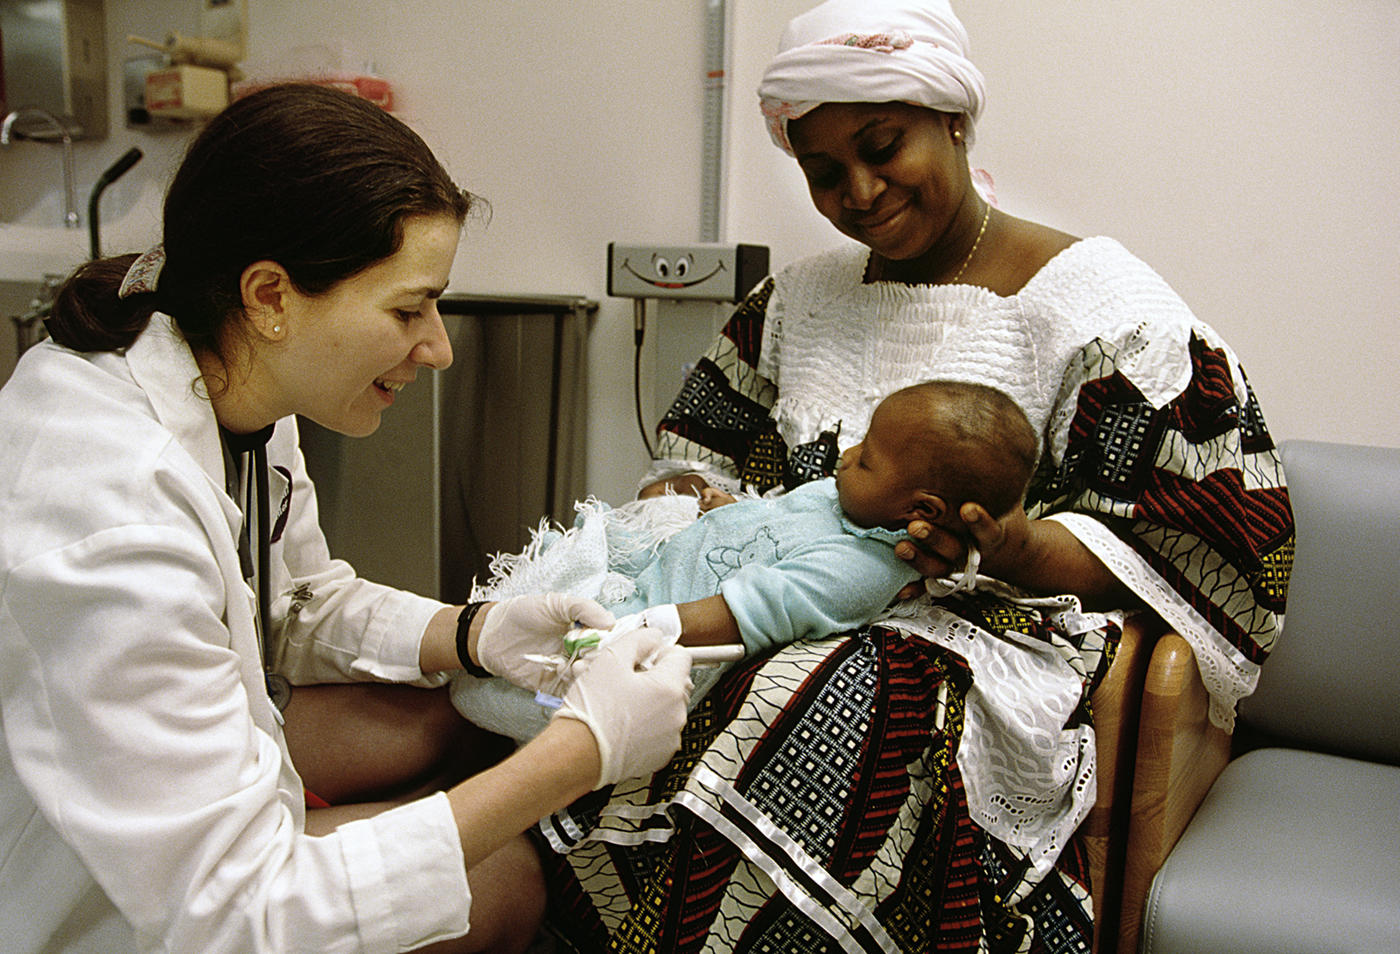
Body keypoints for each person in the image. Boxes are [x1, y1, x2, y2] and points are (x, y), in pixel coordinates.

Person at [531, 3, 1295, 952]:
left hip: (983, 639)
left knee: (808, 692)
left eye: (883, 146)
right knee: (579, 629)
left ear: (956, 122)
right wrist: (690, 504)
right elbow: (697, 449)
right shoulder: (796, 301)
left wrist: (1013, 544)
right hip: (768, 593)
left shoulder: (1101, 309)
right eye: (822, 172)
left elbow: (1205, 545)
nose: (858, 190)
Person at [0, 84, 695, 954]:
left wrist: (476, 633)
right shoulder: (111, 508)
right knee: (505, 881)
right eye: (409, 309)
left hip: (159, 830)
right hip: (103, 911)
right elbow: (241, 916)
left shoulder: (235, 379)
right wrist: (580, 755)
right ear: (270, 294)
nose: (438, 347)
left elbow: (288, 601)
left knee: (459, 720)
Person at [452, 379, 1039, 741]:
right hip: (642, 584)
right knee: (501, 631)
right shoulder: (842, 499)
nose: (847, 454)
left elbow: (749, 611)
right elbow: (778, 518)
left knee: (487, 694)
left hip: (652, 641)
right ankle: (462, 653)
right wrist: (729, 508)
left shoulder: (863, 571)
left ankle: (526, 733)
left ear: (922, 508)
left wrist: (635, 632)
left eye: (867, 459)